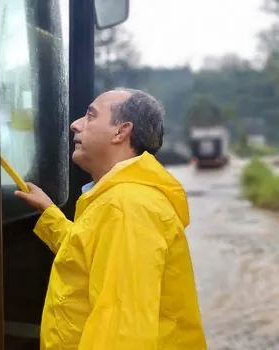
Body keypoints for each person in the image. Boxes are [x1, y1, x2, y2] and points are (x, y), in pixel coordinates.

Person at [15, 88, 207, 349]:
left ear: (121, 131)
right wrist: (50, 214)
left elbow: (122, 331)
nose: (75, 125)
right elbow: (87, 253)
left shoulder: (128, 207)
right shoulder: (118, 199)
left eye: (90, 116)